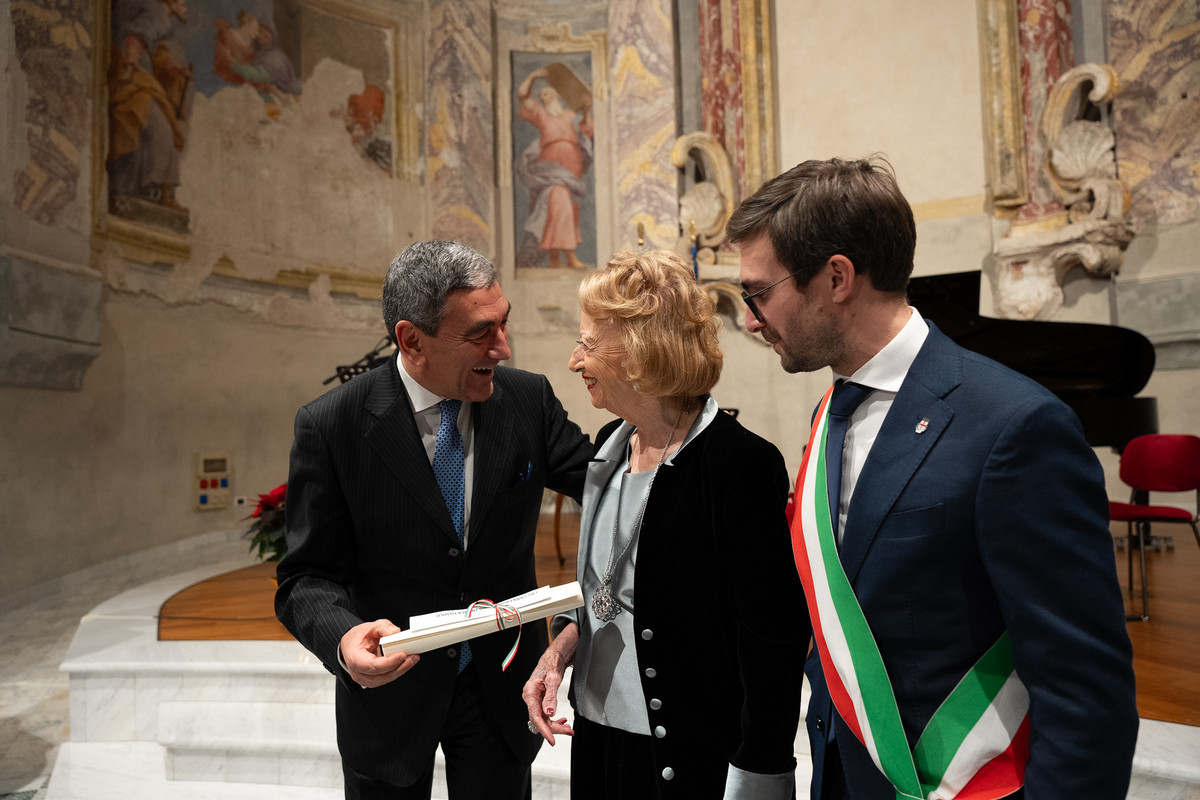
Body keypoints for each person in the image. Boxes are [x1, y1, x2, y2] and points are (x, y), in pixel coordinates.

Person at [727, 157, 1138, 800]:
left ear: (836, 277)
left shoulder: (1014, 427)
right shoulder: (831, 412)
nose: (752, 319)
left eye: (758, 292)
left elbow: (1085, 689)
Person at [275, 240, 594, 800]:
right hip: (389, 698)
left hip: (501, 687)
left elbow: (607, 486)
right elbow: (306, 576)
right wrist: (343, 636)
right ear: (412, 340)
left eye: (504, 323)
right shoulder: (333, 424)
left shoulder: (528, 399)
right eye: (480, 333)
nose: (503, 347)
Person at [521, 250, 807, 799]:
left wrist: (762, 769)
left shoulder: (738, 465)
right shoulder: (610, 448)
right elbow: (612, 593)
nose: (575, 361)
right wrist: (558, 652)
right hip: (599, 743)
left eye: (588, 344)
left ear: (639, 351)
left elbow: (771, 640)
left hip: (686, 758)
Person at [107, 0, 193, 213]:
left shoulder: (147, 9)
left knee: (158, 129)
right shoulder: (158, 11)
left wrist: (173, 68)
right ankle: (121, 193)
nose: (185, 7)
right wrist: (130, 67)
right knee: (147, 126)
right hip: (133, 78)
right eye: (183, 2)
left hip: (136, 77)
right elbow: (136, 37)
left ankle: (157, 192)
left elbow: (154, 51)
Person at [516, 66, 594, 269]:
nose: (547, 97)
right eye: (543, 95)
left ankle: (554, 259)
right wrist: (533, 75)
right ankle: (569, 255)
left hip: (572, 167)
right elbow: (522, 95)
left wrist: (586, 109)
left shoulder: (569, 115)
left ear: (557, 96)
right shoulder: (541, 114)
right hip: (550, 168)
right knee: (559, 202)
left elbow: (587, 130)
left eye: (549, 93)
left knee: (567, 208)